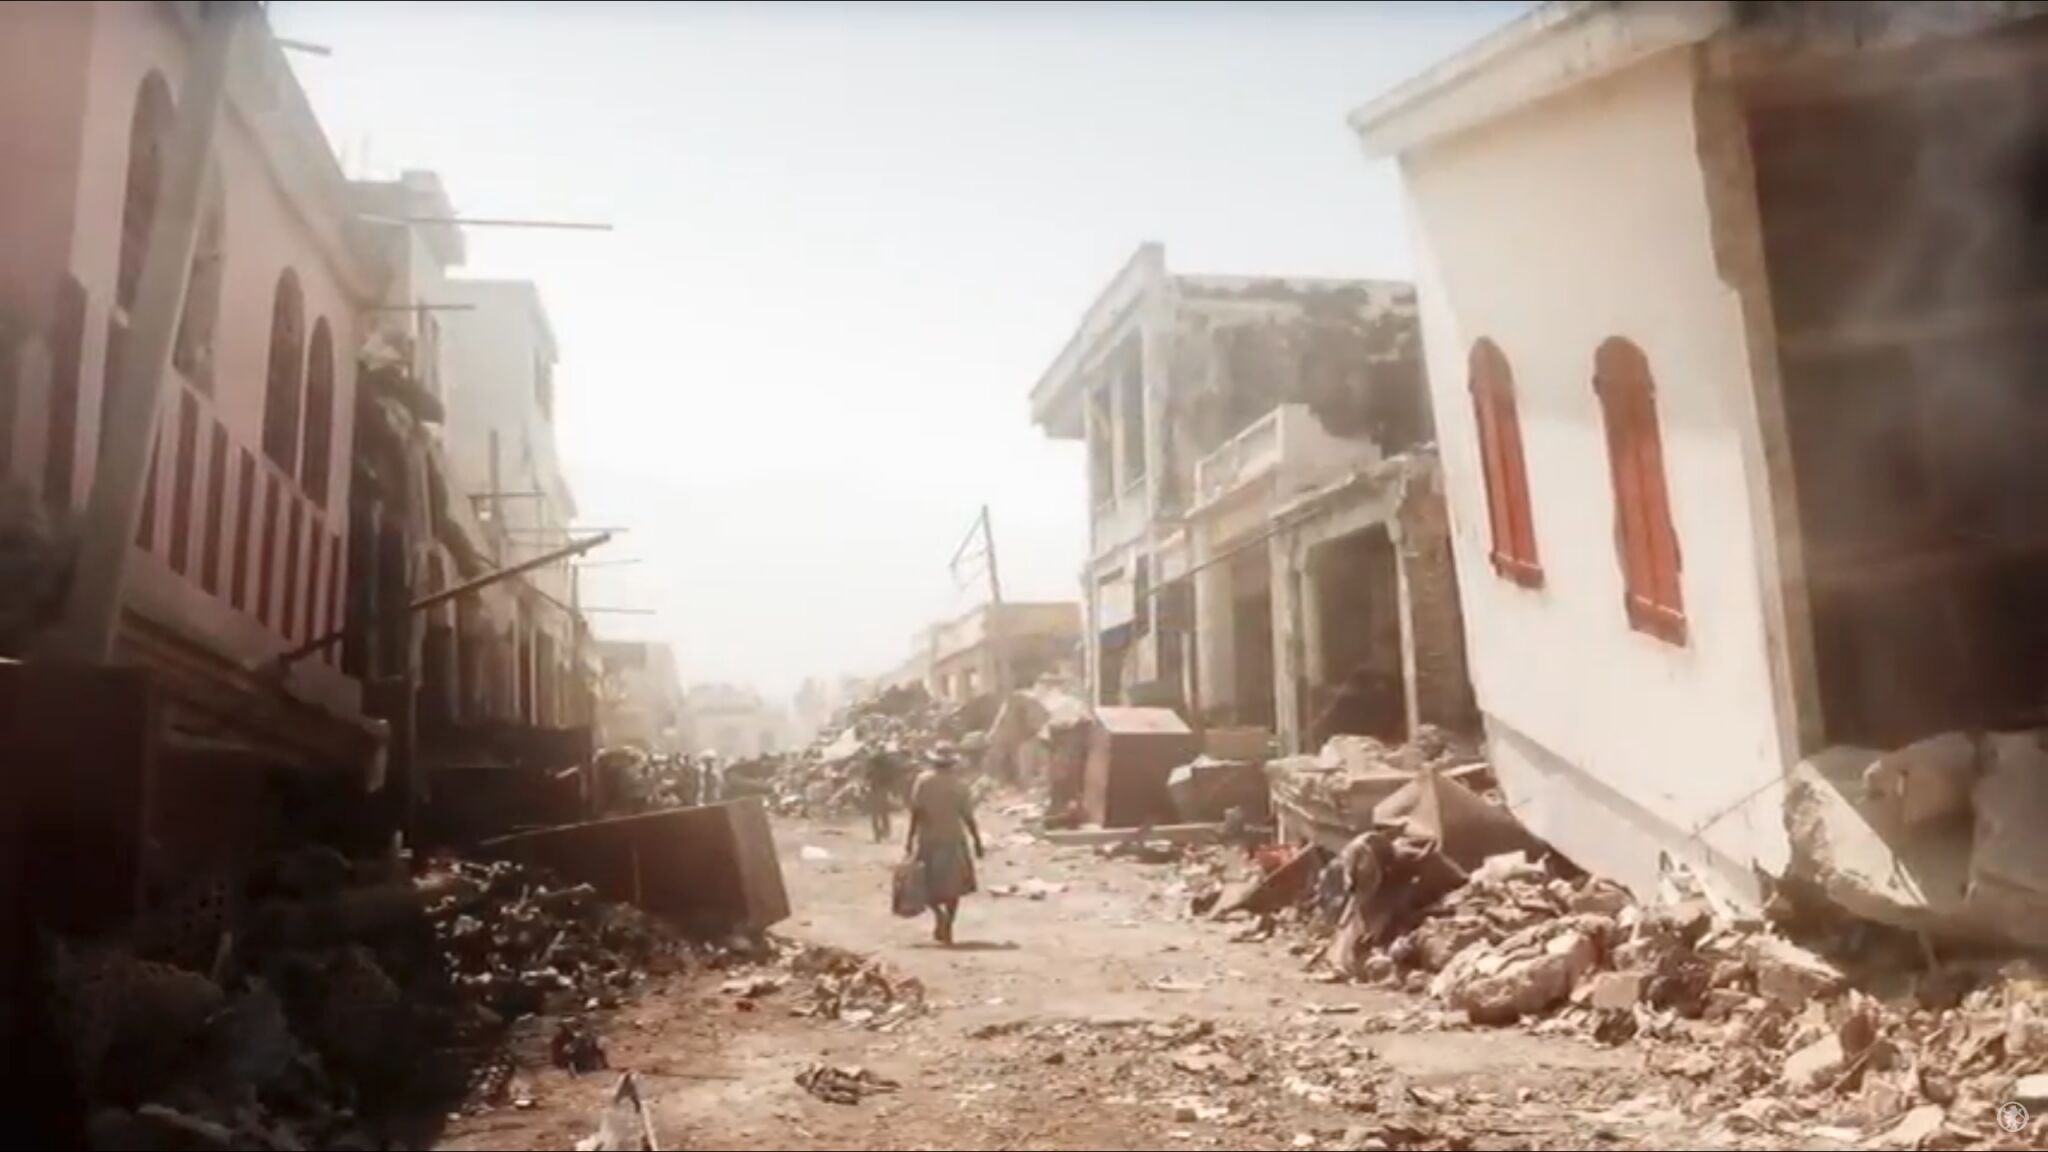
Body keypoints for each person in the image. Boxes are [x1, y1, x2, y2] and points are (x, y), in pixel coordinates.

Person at [904, 749, 984, 946]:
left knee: (927, 884)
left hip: (929, 839)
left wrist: (910, 838)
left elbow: (916, 812)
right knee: (953, 887)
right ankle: (948, 923)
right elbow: (968, 817)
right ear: (952, 764)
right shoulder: (960, 785)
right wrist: (977, 841)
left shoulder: (923, 781)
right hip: (954, 839)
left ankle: (939, 915)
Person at [862, 747, 904, 843]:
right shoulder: (886, 767)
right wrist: (894, 792)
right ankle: (886, 833)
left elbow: (867, 778)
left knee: (875, 815)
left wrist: (866, 787)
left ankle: (878, 836)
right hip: (883, 791)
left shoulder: (872, 766)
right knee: (884, 813)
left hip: (875, 791)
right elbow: (892, 780)